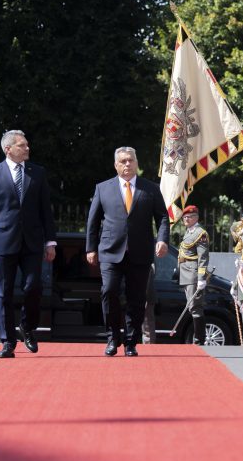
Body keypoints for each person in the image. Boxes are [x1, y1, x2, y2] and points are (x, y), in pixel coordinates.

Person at [0, 130, 57, 359]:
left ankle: (27, 326)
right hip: (3, 240)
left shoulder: (37, 173)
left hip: (32, 241)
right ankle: (7, 341)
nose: (27, 148)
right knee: (3, 292)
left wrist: (50, 241)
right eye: (22, 145)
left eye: (27, 144)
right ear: (8, 149)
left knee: (33, 287)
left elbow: (45, 210)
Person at [86, 147, 170, 357]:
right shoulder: (103, 188)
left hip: (140, 252)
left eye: (131, 160)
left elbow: (162, 217)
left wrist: (162, 240)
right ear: (116, 165)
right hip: (110, 251)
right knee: (109, 291)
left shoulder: (150, 188)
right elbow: (93, 221)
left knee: (136, 298)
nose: (127, 164)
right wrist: (91, 248)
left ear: (136, 163)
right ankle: (112, 338)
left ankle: (131, 342)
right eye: (123, 161)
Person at [177, 205, 210, 344]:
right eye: (184, 217)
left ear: (196, 217)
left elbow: (203, 258)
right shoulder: (189, 232)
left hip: (193, 275)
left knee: (195, 307)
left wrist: (201, 278)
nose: (186, 219)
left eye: (189, 217)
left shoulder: (200, 233)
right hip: (186, 274)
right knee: (191, 307)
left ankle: (199, 339)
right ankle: (198, 337)